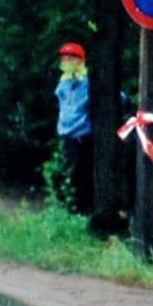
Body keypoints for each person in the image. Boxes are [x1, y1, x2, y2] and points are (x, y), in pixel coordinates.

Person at [54, 41, 93, 218]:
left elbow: (118, 98)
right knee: (63, 174)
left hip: (81, 135)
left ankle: (81, 213)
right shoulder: (63, 83)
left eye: (69, 58)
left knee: (79, 176)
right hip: (65, 135)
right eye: (63, 58)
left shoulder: (88, 83)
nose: (64, 61)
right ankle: (67, 212)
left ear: (79, 61)